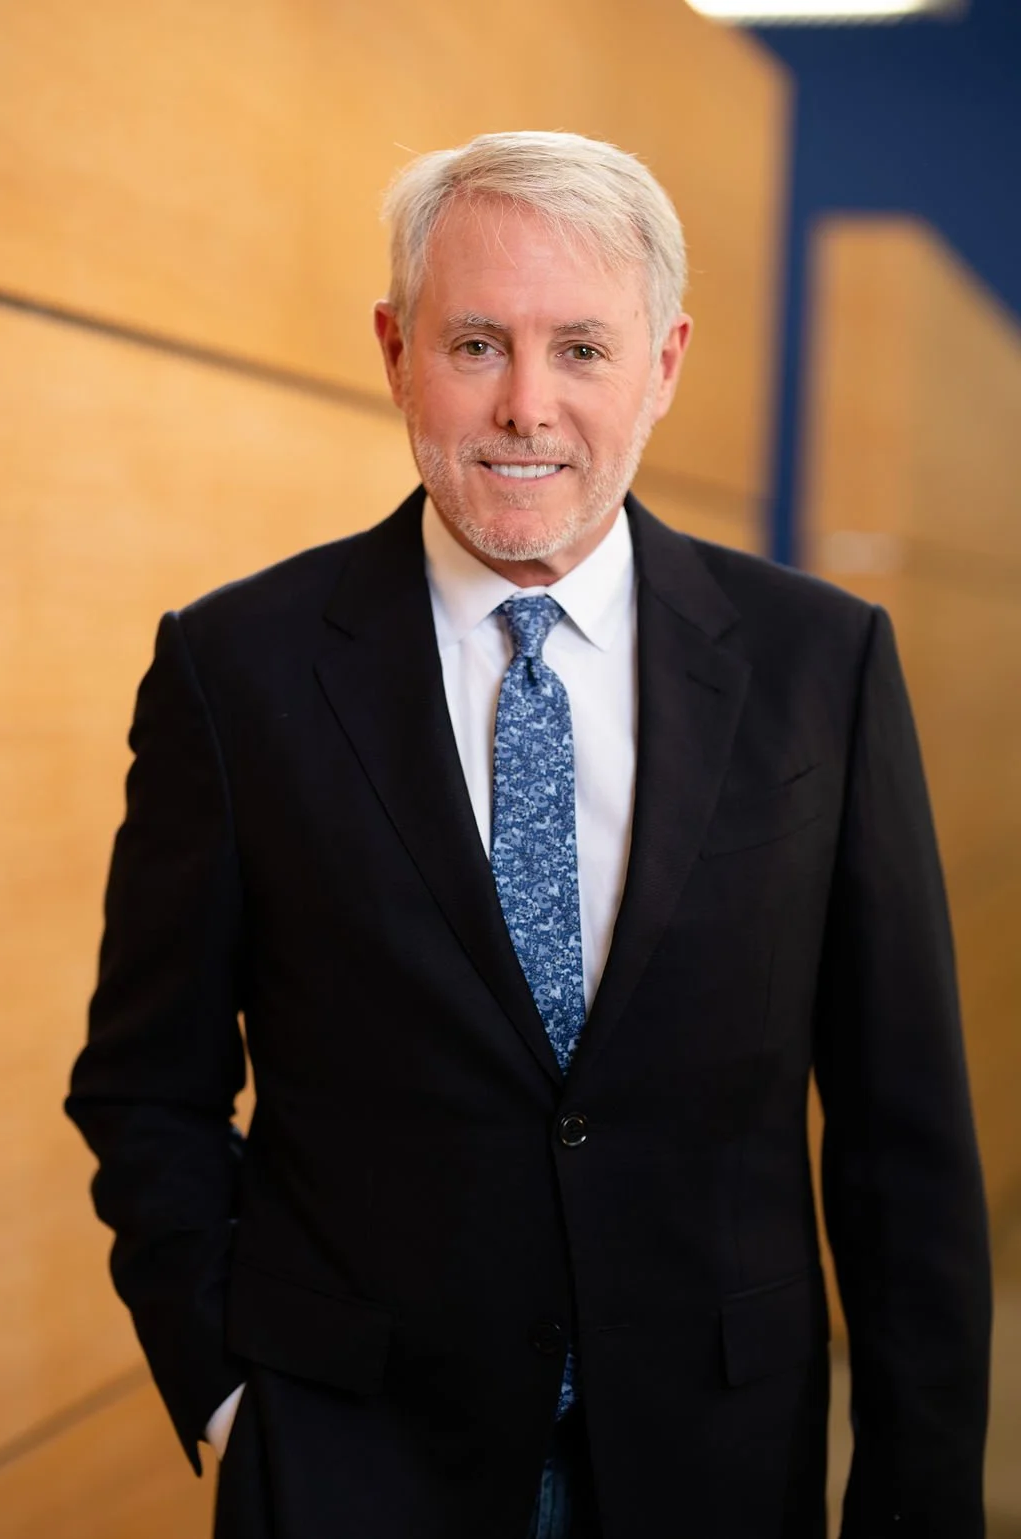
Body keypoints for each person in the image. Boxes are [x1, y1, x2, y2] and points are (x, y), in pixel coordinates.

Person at [66, 131, 991, 1539]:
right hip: (351, 1464)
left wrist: (916, 1498)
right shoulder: (235, 669)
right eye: (478, 343)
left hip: (715, 1463)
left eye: (581, 349)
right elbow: (146, 1088)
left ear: (665, 364)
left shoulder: (824, 666)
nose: (526, 408)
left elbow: (901, 1143)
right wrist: (229, 1394)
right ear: (394, 350)